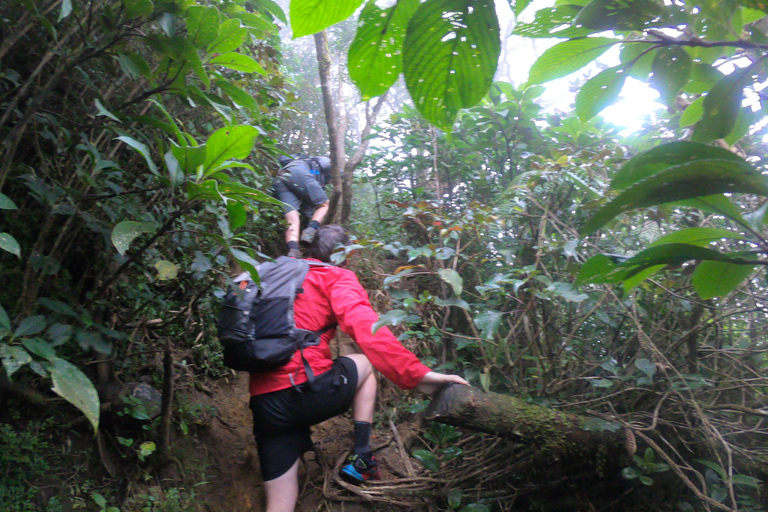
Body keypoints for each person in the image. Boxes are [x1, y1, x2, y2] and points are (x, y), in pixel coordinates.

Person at [248, 225, 470, 512]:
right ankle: (362, 457)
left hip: (265, 402)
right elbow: (368, 330)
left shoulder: (277, 274)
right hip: (307, 389)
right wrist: (418, 376)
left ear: (311, 250)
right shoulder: (336, 275)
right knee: (365, 362)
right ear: (346, 256)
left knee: (279, 505)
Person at [272, 155, 332, 259]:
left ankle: (293, 252)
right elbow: (326, 164)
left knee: (292, 221)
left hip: (280, 178)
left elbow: (307, 209)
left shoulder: (307, 165)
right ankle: (311, 231)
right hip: (298, 172)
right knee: (325, 204)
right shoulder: (317, 165)